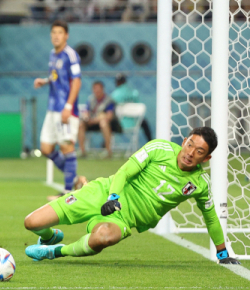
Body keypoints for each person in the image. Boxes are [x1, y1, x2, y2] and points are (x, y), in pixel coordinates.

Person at [23, 127, 240, 265]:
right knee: (32, 223)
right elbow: (125, 171)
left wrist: (222, 253)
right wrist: (113, 197)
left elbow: (210, 216)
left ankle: (54, 251)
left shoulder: (199, 184)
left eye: (199, 151)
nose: (191, 153)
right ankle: (50, 235)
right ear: (184, 141)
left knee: (104, 238)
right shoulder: (159, 148)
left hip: (125, 219)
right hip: (104, 194)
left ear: (207, 158)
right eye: (190, 145)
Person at [34, 20, 82, 202]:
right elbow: (56, 77)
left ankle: (68, 192)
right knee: (46, 148)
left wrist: (68, 107)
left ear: (66, 35)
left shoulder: (71, 55)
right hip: (52, 108)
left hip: (65, 109)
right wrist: (45, 81)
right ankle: (75, 179)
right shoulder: (53, 55)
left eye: (60, 32)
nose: (56, 35)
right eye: (53, 32)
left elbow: (76, 81)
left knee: (66, 147)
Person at [78, 81, 122, 158]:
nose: (97, 91)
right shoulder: (91, 99)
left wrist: (96, 119)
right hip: (92, 123)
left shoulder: (108, 100)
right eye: (95, 89)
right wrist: (86, 117)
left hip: (109, 124)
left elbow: (109, 116)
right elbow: (86, 112)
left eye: (99, 89)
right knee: (81, 124)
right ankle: (82, 151)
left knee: (103, 123)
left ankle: (108, 152)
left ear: (103, 89)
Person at [111, 73, 152, 142]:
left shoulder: (114, 94)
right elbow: (138, 106)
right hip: (134, 122)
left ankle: (105, 145)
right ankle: (150, 142)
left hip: (119, 122)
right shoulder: (133, 92)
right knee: (144, 123)